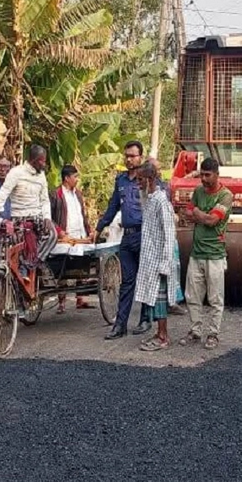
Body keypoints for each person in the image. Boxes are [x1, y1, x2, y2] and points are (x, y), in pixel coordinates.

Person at [95, 141, 153, 340]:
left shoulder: (148, 179)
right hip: (127, 237)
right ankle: (120, 325)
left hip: (144, 234)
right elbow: (113, 206)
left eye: (133, 156)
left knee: (145, 278)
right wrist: (99, 227)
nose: (129, 159)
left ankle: (145, 318)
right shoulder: (120, 180)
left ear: (140, 157)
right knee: (127, 281)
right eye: (126, 155)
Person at [177, 157, 233, 350]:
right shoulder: (198, 192)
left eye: (208, 175)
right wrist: (203, 215)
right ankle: (195, 331)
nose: (204, 179)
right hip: (197, 253)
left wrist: (199, 215)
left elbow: (211, 221)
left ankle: (213, 333)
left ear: (217, 174)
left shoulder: (226, 195)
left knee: (215, 298)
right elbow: (187, 213)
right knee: (192, 296)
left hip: (215, 255)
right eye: (202, 174)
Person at [0, 144, 58, 274]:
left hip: (37, 218)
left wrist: (47, 217)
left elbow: (45, 200)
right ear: (34, 160)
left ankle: (34, 262)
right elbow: (2, 195)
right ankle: (25, 266)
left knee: (53, 234)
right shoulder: (16, 173)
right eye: (42, 160)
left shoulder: (41, 176)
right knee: (17, 251)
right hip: (19, 219)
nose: (44, 163)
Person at [133, 162, 179, 351]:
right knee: (151, 297)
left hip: (160, 259)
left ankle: (163, 336)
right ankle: (159, 333)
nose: (138, 184)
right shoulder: (149, 198)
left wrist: (166, 262)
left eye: (141, 180)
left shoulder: (161, 201)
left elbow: (169, 234)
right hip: (150, 258)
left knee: (159, 299)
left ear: (150, 179)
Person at [50, 164, 95, 313]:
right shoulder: (56, 195)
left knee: (82, 267)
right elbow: (49, 218)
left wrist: (90, 232)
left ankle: (80, 298)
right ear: (66, 178)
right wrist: (60, 231)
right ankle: (61, 301)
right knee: (62, 269)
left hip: (80, 236)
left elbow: (83, 216)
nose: (77, 179)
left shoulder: (78, 194)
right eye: (75, 177)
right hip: (64, 238)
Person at [147, 156, 187, 315]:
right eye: (156, 169)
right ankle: (159, 304)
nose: (159, 171)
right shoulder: (146, 190)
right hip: (157, 238)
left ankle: (172, 301)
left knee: (173, 267)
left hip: (170, 234)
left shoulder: (165, 187)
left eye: (159, 168)